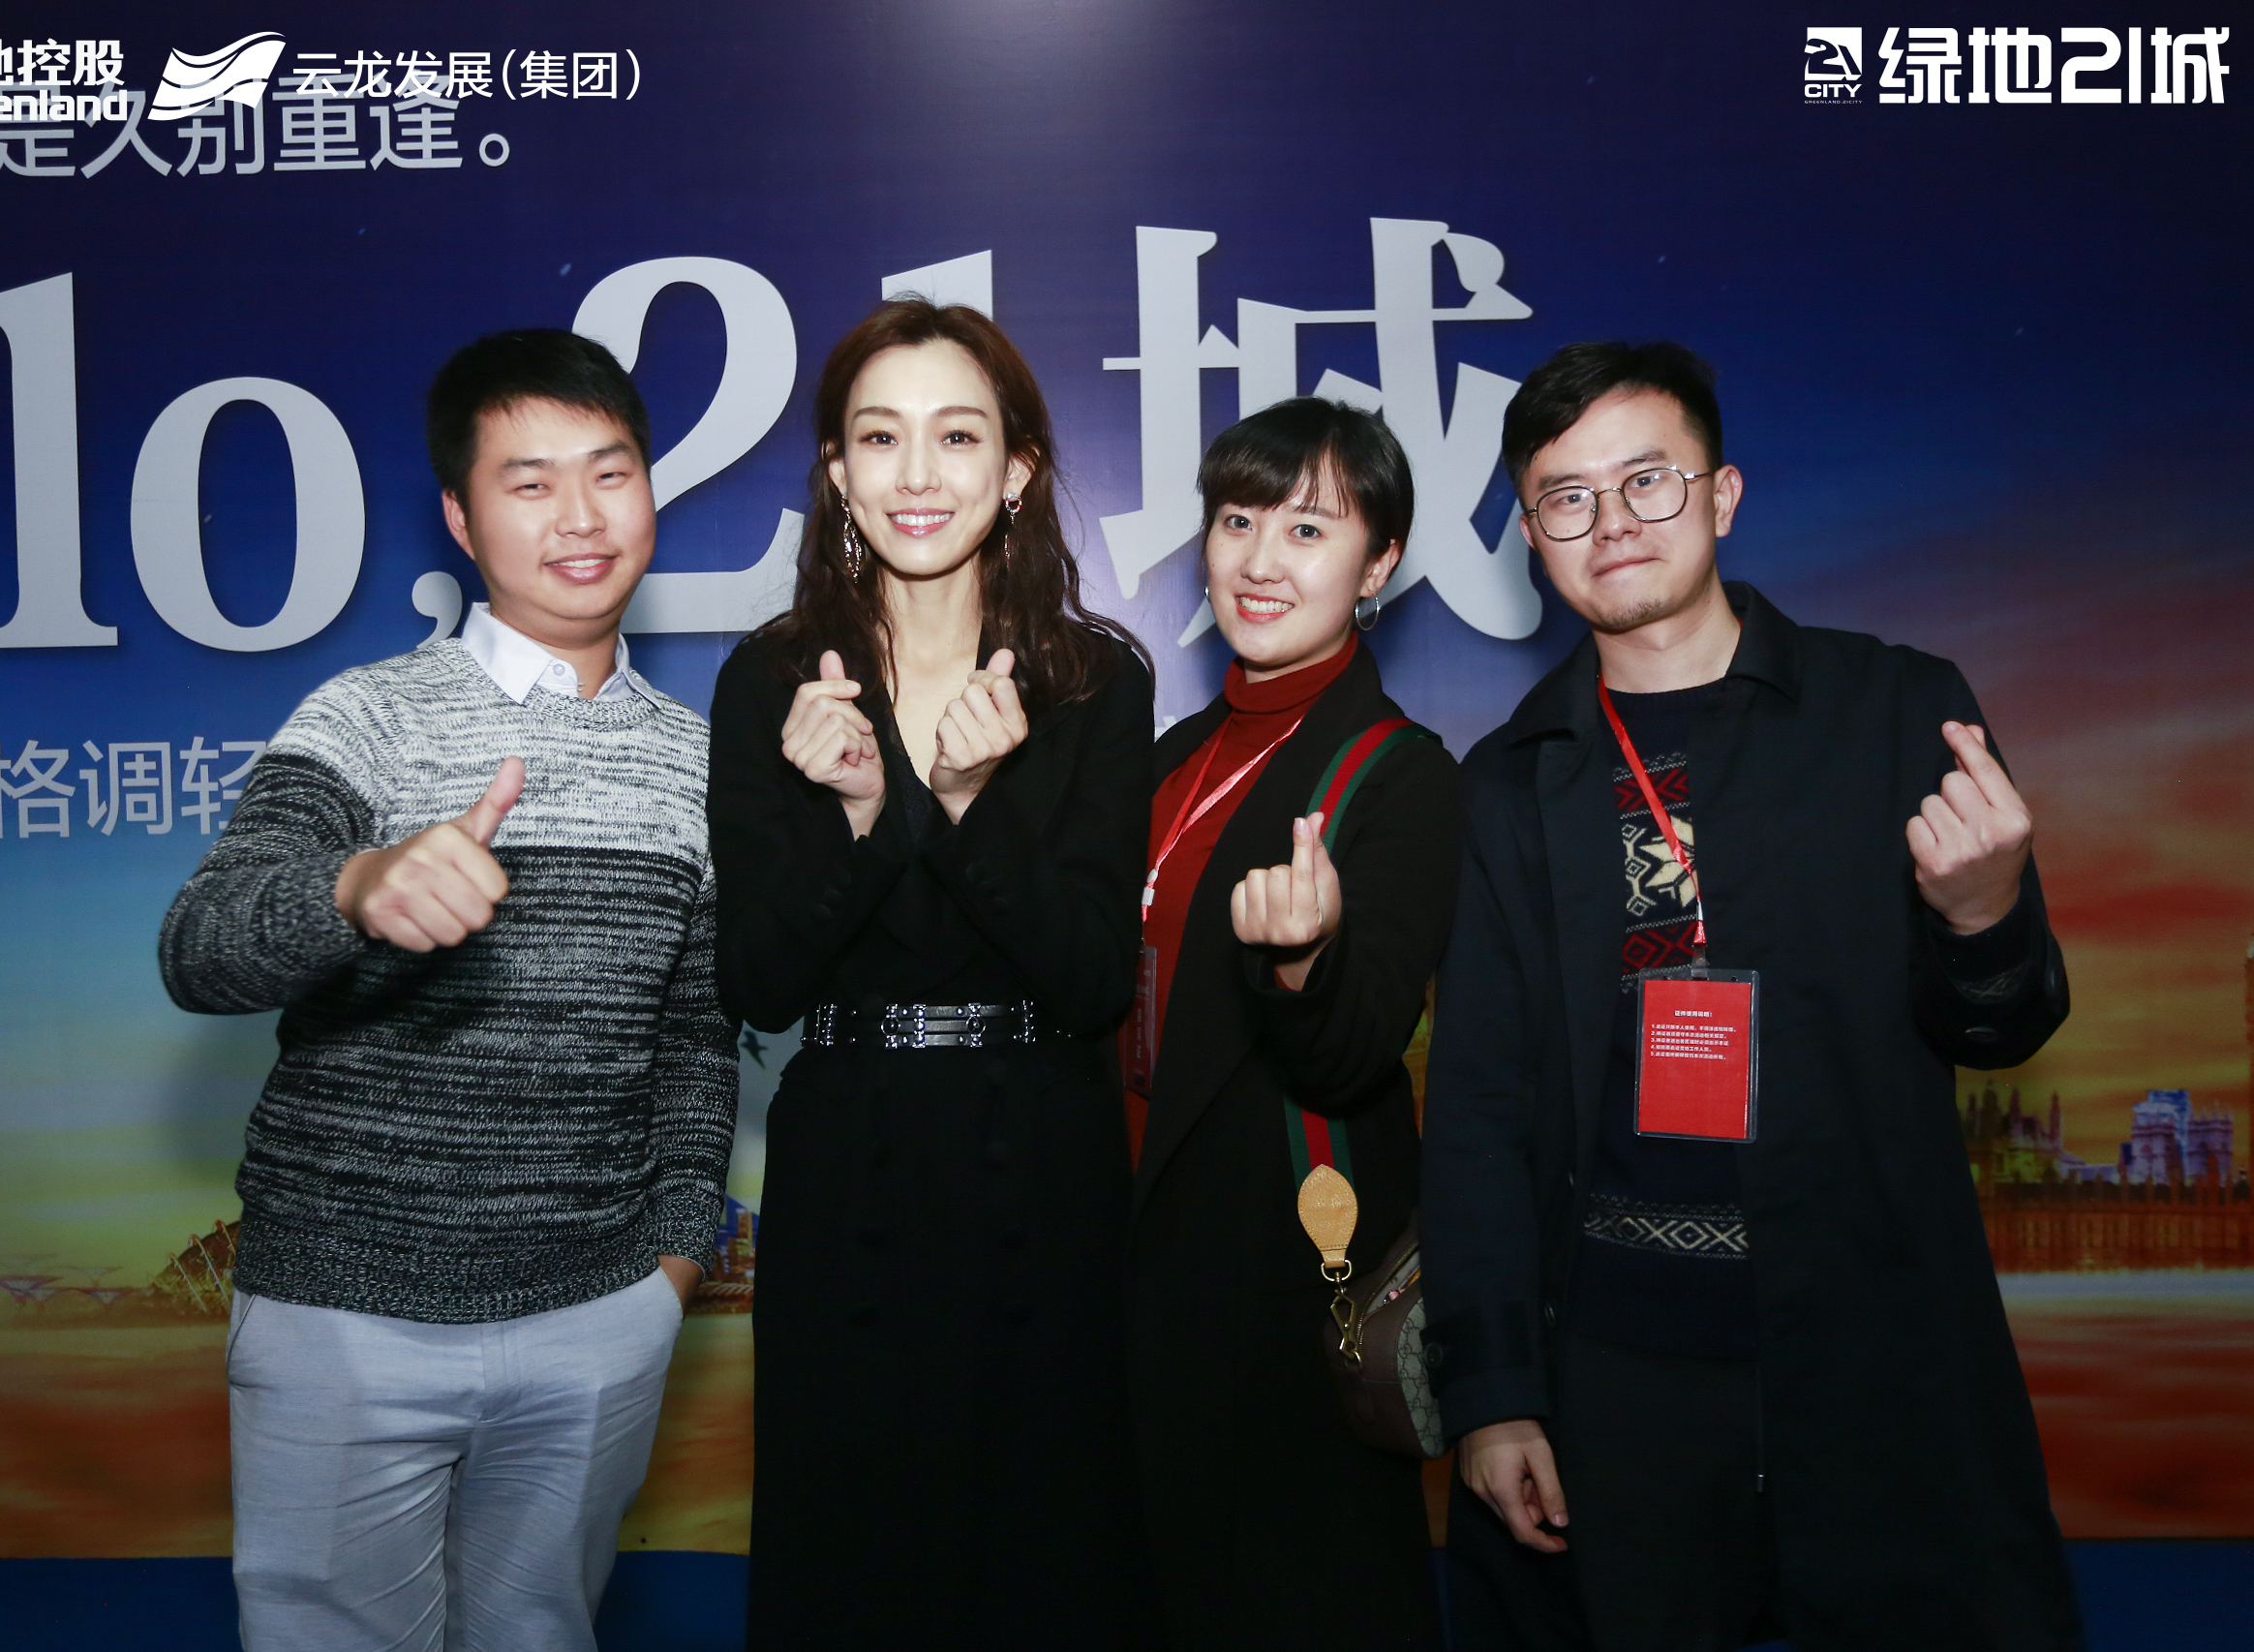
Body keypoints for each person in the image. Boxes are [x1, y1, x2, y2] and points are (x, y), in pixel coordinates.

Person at [1418, 341, 2082, 1651]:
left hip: (1877, 1346)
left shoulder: (1896, 709)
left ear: (1721, 495)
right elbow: (1479, 1108)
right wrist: (1493, 1393)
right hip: (1619, 1373)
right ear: (1534, 540)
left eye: (1647, 480)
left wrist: (1982, 911)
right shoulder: (1511, 780)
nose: (1613, 522)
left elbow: (2004, 1027)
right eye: (1565, 498)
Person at [158, 329, 734, 1652]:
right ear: (462, 519)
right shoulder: (365, 717)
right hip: (344, 1315)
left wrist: (669, 1268)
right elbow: (199, 944)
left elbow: (698, 1036)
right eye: (530, 482)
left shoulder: (702, 765)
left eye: (611, 473)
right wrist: (354, 888)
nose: (580, 517)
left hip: (598, 1318)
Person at [709, 298, 1159, 1650]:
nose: (918, 474)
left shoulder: (1093, 680)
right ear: (836, 472)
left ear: (1016, 469)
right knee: (851, 1550)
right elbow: (758, 984)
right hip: (850, 1154)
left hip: (1044, 1154)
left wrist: (966, 807)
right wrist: (858, 822)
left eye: (957, 437)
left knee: (1046, 1549)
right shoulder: (772, 681)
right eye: (879, 437)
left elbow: (1094, 981)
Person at [1123, 398, 1462, 1649]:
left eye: (1309, 528)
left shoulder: (1401, 772)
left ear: (1377, 565)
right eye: (1237, 520)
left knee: (1300, 1594)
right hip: (1133, 1244)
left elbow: (1357, 1047)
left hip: (1278, 1268)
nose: (1261, 559)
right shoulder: (1171, 755)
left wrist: (1308, 962)